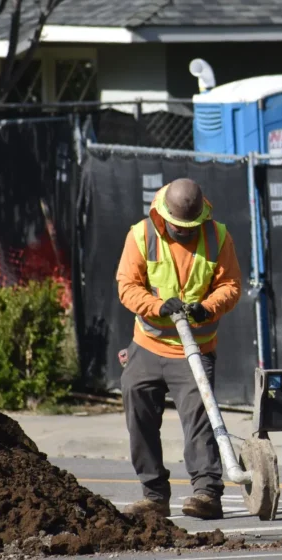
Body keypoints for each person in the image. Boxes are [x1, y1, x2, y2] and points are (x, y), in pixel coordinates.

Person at [115, 178, 243, 519]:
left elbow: (231, 285)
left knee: (201, 419)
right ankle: (154, 495)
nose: (184, 233)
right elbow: (127, 286)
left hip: (195, 349)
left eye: (191, 227)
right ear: (163, 215)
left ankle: (206, 493)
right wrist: (157, 306)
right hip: (149, 344)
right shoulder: (141, 235)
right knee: (137, 410)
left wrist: (208, 307)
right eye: (178, 227)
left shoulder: (217, 236)